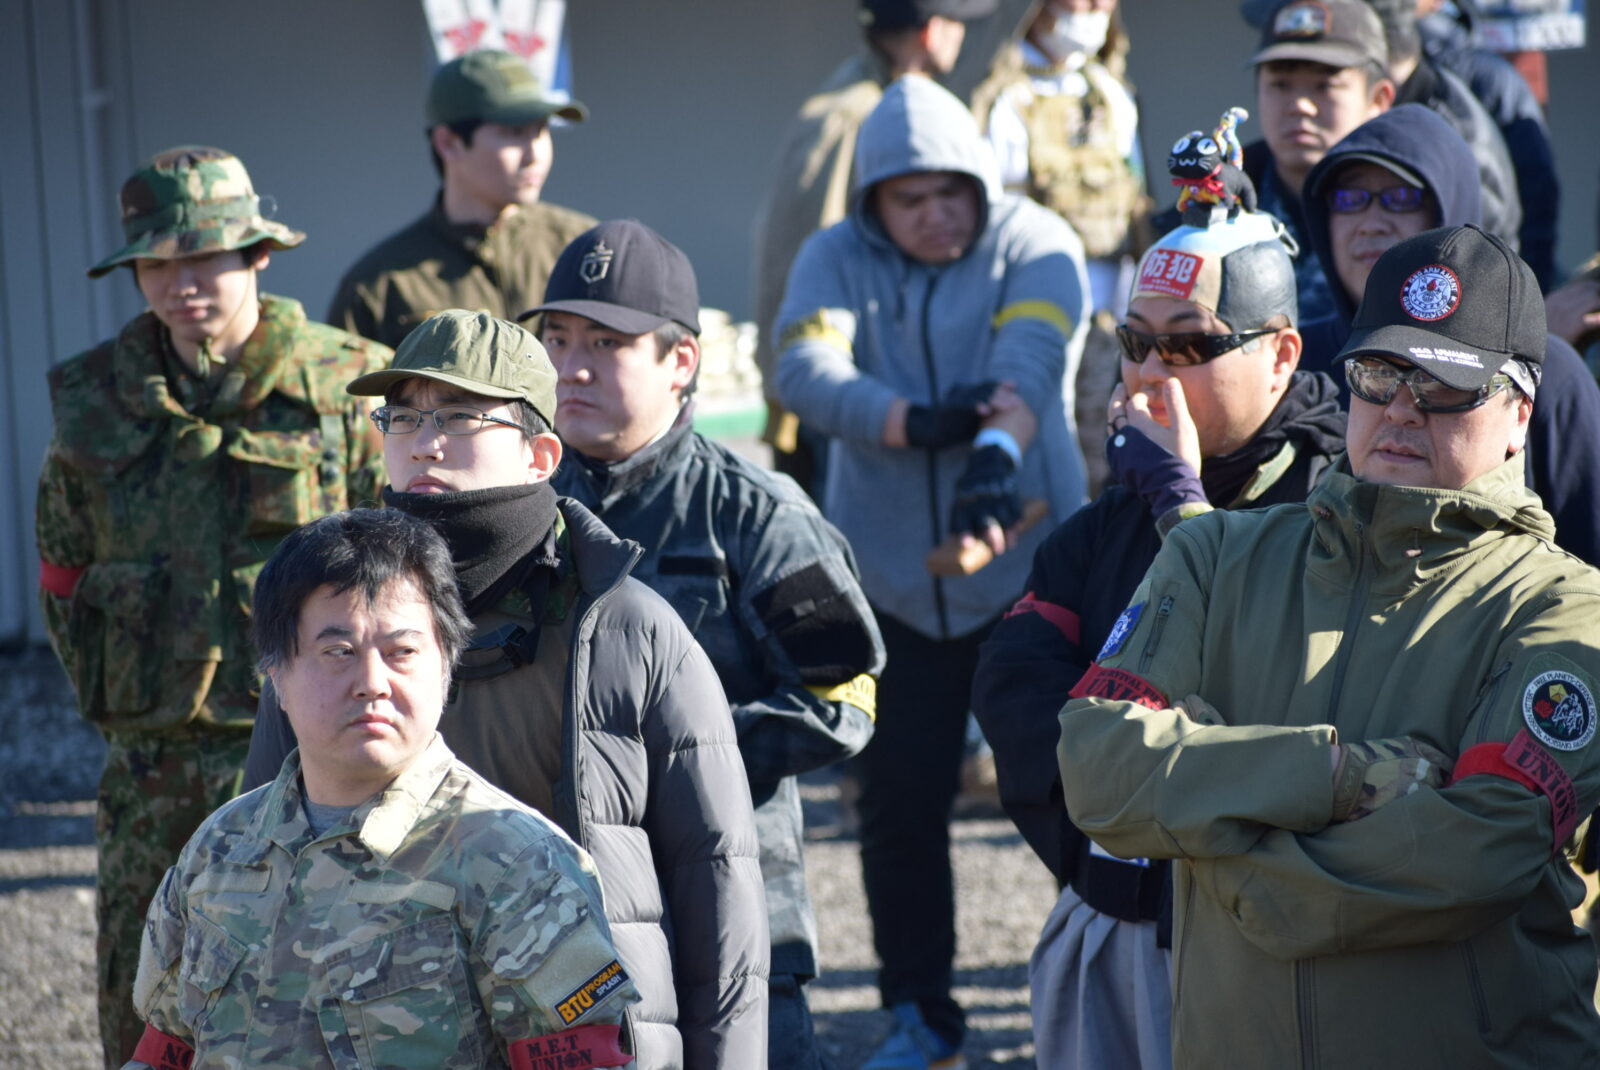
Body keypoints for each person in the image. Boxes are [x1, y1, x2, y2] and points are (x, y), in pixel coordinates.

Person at [1058, 224, 1600, 1067]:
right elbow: (1098, 766)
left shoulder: (1563, 606)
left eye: (1446, 385)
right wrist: (1342, 776)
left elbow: (1482, 847)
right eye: (1379, 374)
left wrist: (1227, 854)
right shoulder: (1214, 555)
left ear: (1519, 414)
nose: (1402, 408)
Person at [242, 311, 769, 1069]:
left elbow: (718, 888)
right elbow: (258, 861)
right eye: (404, 417)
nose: (425, 443)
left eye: (460, 417)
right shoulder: (321, 627)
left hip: (585, 1038)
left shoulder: (626, 628)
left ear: (540, 454)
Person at [34, 145, 389, 1068]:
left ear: (258, 255)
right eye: (157, 262)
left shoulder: (348, 386)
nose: (181, 283)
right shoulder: (93, 399)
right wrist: (121, 701)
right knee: (148, 996)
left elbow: (402, 580)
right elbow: (65, 574)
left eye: (204, 258)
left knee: (327, 991)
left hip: (310, 759)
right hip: (150, 763)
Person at [972, 195, 1345, 1069]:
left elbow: (1277, 684)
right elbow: (1012, 688)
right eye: (1133, 341)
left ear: (1281, 354)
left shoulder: (1342, 501)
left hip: (1272, 938)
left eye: (1186, 347)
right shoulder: (1110, 516)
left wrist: (1182, 495)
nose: (1148, 374)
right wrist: (1112, 829)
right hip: (1114, 919)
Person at [775, 74, 1090, 1069]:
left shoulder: (1033, 238)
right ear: (872, 203)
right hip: (890, 580)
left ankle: (1095, 1005)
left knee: (1076, 793)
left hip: (1031, 572)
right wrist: (911, 422)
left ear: (981, 185)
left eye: (952, 191)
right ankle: (921, 1014)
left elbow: (1036, 353)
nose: (935, 213)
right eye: (908, 198)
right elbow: (802, 368)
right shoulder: (833, 256)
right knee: (896, 805)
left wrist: (992, 449)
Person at [523, 218, 886, 1070]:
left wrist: (677, 762)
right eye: (558, 338)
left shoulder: (755, 514)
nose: (571, 366)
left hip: (728, 915)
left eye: (606, 343)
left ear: (680, 360)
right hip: (551, 924)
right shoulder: (519, 507)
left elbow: (844, 697)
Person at [123, 508, 638, 1070]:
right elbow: (163, 1052)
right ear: (276, 677)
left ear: (446, 667)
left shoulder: (516, 864)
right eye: (338, 652)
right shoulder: (219, 849)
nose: (372, 683)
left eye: (401, 653)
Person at [1296, 104, 1600, 566]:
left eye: (1400, 197)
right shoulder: (1293, 361)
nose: (1371, 221)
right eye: (1349, 198)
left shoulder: (1550, 372)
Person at [751, 0, 999, 496]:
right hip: (848, 395)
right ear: (930, 32)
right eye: (956, 22)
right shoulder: (855, 115)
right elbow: (814, 261)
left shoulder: (876, 101)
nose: (962, 35)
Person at [972, 0, 1145, 495]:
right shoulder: (1004, 99)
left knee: (1106, 465)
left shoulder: (1110, 93)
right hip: (1029, 319)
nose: (1093, 8)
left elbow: (1134, 206)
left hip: (1108, 326)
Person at [327, 49, 596, 348]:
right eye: (514, 132)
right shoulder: (380, 285)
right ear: (448, 143)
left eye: (541, 130)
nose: (535, 154)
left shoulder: (585, 250)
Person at [1241, 0, 1395, 326]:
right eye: (1280, 85)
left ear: (1378, 100)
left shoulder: (1408, 210)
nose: (1300, 105)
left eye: (1325, 85)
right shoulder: (1216, 212)